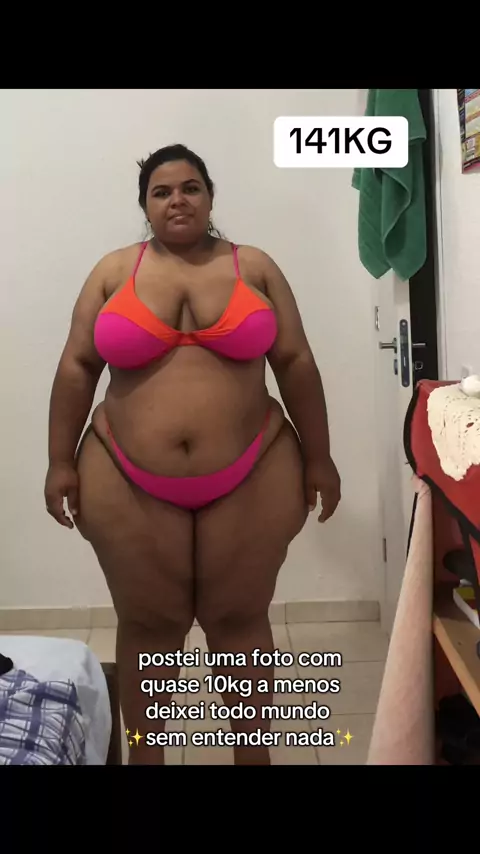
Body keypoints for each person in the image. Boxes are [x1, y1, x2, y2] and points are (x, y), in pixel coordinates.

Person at [44, 143, 341, 766]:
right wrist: (59, 462)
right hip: (123, 473)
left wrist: (321, 457)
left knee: (239, 621)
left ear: (209, 197)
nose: (177, 200)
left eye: (190, 188)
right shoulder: (111, 273)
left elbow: (296, 362)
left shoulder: (254, 266)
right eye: (162, 191)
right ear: (145, 205)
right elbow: (76, 368)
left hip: (254, 469)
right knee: (149, 627)